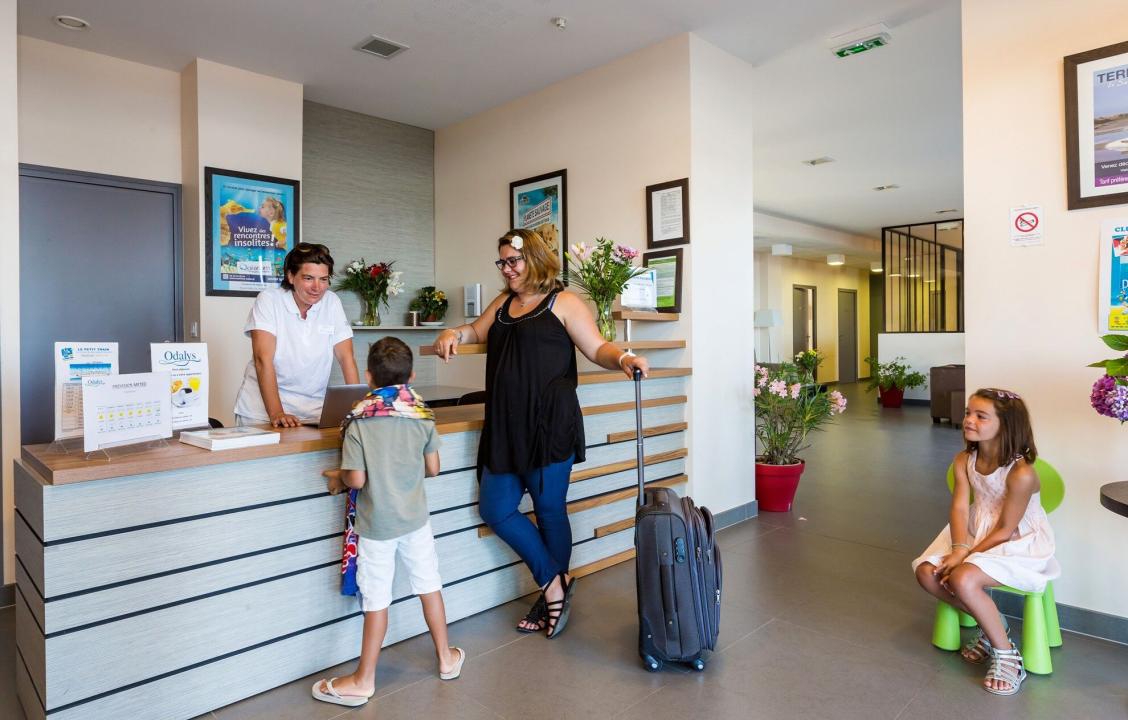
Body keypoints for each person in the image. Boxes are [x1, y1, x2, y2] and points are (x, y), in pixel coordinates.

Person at [432, 228, 650, 639]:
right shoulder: (503, 303)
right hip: (505, 423)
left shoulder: (563, 302)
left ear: (533, 258)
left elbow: (596, 347)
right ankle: (555, 583)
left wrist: (623, 356)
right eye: (502, 262)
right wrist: (453, 333)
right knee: (496, 509)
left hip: (549, 422)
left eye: (513, 261)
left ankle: (549, 594)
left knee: (549, 511)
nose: (507, 269)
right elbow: (476, 331)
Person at [313, 337, 464, 707]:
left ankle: (364, 679)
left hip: (377, 525)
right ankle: (446, 658)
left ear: (368, 377)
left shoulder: (358, 420)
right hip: (416, 520)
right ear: (411, 376)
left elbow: (356, 479)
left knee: (377, 599)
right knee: (429, 585)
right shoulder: (422, 414)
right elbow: (433, 468)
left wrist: (337, 476)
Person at [913, 388, 1059, 696]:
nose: (969, 420)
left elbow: (1005, 529)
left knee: (962, 577)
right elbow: (959, 507)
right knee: (926, 572)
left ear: (1006, 425)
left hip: (1016, 539)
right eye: (968, 413)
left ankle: (1007, 656)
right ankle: (994, 621)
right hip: (975, 530)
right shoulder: (964, 459)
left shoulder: (1021, 473)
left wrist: (964, 558)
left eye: (981, 416)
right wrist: (958, 548)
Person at [233, 242, 359, 427]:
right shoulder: (269, 300)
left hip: (314, 411)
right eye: (308, 278)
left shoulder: (331, 303)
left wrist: (357, 408)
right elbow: (262, 360)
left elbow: (346, 358)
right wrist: (277, 413)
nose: (317, 287)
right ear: (291, 276)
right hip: (262, 412)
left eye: (323, 279)